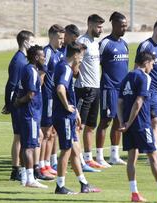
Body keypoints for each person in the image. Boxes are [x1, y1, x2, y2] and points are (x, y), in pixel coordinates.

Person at [117, 51, 157, 202]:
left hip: (127, 125)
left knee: (131, 158)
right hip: (141, 124)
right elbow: (139, 102)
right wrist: (130, 122)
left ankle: (134, 194)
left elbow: (119, 102)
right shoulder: (144, 77)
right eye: (152, 64)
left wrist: (123, 123)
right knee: (154, 156)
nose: (152, 67)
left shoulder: (126, 77)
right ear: (146, 62)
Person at [53, 42, 101, 194]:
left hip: (69, 115)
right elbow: (60, 89)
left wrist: (76, 113)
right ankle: (60, 186)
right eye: (81, 56)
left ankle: (83, 184)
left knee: (75, 150)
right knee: (66, 150)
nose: (81, 59)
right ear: (75, 54)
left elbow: (67, 91)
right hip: (64, 116)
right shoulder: (66, 69)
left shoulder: (64, 67)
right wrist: (67, 107)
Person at [96, 11, 129, 166]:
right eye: (122, 26)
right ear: (114, 25)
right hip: (108, 89)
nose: (124, 28)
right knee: (105, 120)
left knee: (118, 120)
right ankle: (99, 156)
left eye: (125, 26)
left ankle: (114, 155)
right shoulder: (105, 44)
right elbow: (96, 64)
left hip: (122, 90)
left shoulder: (124, 44)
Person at [135, 19, 157, 165]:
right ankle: (152, 154)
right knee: (155, 121)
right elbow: (137, 68)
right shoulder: (146, 45)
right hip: (151, 90)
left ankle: (153, 152)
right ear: (155, 29)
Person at [2, 30, 34, 182]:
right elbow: (12, 84)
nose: (33, 45)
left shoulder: (23, 59)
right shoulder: (18, 61)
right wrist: (9, 104)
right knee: (19, 137)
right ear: (25, 42)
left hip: (21, 103)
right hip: (17, 104)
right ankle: (16, 170)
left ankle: (19, 168)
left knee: (21, 137)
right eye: (32, 42)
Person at [75, 14, 106, 169]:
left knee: (91, 126)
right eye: (98, 26)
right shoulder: (82, 42)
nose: (101, 29)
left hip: (96, 88)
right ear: (90, 25)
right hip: (84, 88)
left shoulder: (95, 43)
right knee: (79, 126)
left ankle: (88, 158)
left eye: (101, 26)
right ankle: (78, 159)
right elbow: (75, 65)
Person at [14, 45, 47, 188]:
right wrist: (18, 102)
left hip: (29, 113)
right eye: (42, 56)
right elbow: (30, 94)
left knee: (29, 142)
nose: (44, 58)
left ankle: (24, 176)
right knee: (29, 146)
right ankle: (30, 179)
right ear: (36, 57)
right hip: (31, 113)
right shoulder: (32, 71)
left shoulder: (29, 69)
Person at [40, 24, 65, 179]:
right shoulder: (47, 52)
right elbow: (42, 75)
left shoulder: (59, 54)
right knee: (46, 132)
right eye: (60, 38)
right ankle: (41, 165)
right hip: (48, 97)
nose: (62, 41)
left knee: (53, 132)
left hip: (55, 98)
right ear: (52, 37)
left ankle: (48, 163)